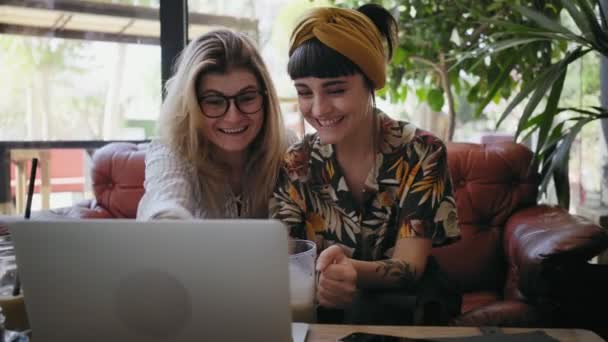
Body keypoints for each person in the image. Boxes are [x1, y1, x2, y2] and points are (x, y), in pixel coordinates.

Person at [270, 4, 460, 321]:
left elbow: (410, 267)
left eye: (336, 90)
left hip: (405, 314)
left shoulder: (422, 152)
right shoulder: (295, 162)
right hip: (325, 315)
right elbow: (285, 260)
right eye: (305, 92)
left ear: (370, 81)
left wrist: (351, 271)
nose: (318, 108)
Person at [137, 29, 289, 220]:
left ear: (266, 100)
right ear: (189, 106)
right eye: (214, 101)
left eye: (247, 98)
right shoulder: (170, 151)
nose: (233, 117)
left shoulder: (287, 148)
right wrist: (167, 222)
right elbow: (166, 200)